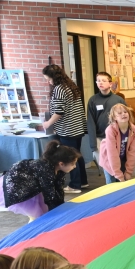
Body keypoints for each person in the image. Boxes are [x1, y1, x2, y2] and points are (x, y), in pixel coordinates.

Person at [0, 141, 79, 220]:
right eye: (73, 164)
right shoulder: (46, 170)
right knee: (37, 213)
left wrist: (61, 208)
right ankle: (36, 229)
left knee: (44, 208)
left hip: (30, 182)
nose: (74, 167)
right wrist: (56, 215)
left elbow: (58, 190)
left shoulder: (58, 170)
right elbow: (49, 195)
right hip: (17, 186)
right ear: (61, 164)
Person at [42, 64, 89, 193]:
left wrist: (48, 123)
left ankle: (75, 185)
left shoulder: (59, 89)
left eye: (48, 79)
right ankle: (82, 181)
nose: (48, 81)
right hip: (77, 127)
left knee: (69, 158)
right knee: (76, 155)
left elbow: (59, 111)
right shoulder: (70, 86)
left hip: (68, 129)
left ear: (54, 77)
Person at [86, 71, 126, 166]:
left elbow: (125, 119)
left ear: (110, 84)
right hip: (100, 138)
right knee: (105, 166)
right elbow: (90, 122)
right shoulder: (93, 100)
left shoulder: (118, 100)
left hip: (117, 136)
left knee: (117, 164)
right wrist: (93, 144)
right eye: (98, 81)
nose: (100, 83)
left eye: (103, 80)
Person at [99, 103, 135, 184]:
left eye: (125, 112)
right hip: (109, 160)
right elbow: (112, 154)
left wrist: (129, 172)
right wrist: (119, 175)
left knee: (124, 183)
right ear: (114, 117)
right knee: (112, 184)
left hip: (123, 158)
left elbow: (133, 152)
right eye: (120, 113)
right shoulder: (110, 130)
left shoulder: (133, 129)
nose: (123, 114)